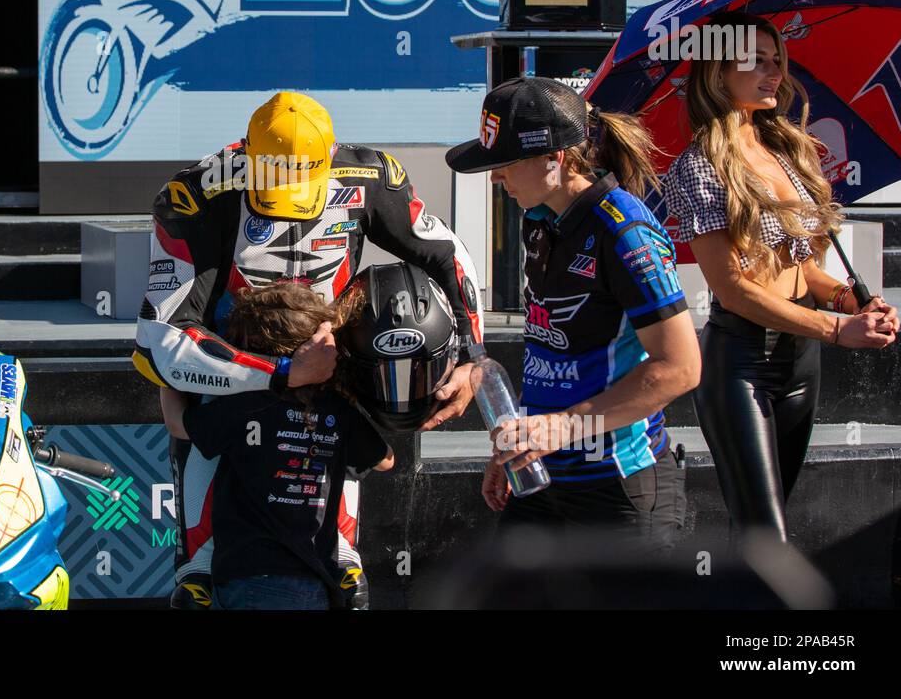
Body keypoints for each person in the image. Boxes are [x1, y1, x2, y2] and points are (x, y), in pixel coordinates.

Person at [135, 90, 486, 607]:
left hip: (331, 364)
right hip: (233, 365)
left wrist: (471, 354)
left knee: (378, 341)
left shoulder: (370, 178)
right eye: (271, 186)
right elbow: (158, 342)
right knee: (197, 405)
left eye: (297, 188)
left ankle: (342, 547)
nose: (284, 200)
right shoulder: (193, 197)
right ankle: (201, 560)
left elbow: (448, 253)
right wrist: (278, 373)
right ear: (247, 158)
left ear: (328, 163)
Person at [662, 12, 899, 542]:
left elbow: (803, 268)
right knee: (764, 536)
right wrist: (840, 331)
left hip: (801, 361)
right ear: (718, 72)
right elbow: (734, 289)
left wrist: (849, 302)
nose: (773, 73)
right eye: (755, 62)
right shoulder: (700, 165)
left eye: (776, 61)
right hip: (740, 361)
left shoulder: (788, 152)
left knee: (772, 529)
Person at [447, 76, 700, 553]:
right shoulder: (539, 219)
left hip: (618, 486)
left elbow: (681, 368)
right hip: (542, 475)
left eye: (503, 163)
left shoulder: (625, 233)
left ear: (554, 157)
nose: (494, 178)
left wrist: (562, 426)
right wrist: (518, 441)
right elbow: (554, 350)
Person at [159, 281, 393, 610]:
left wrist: (168, 370)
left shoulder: (245, 405)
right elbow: (386, 461)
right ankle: (347, 559)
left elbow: (177, 423)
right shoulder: (339, 412)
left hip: (247, 576)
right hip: (315, 579)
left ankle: (195, 570)